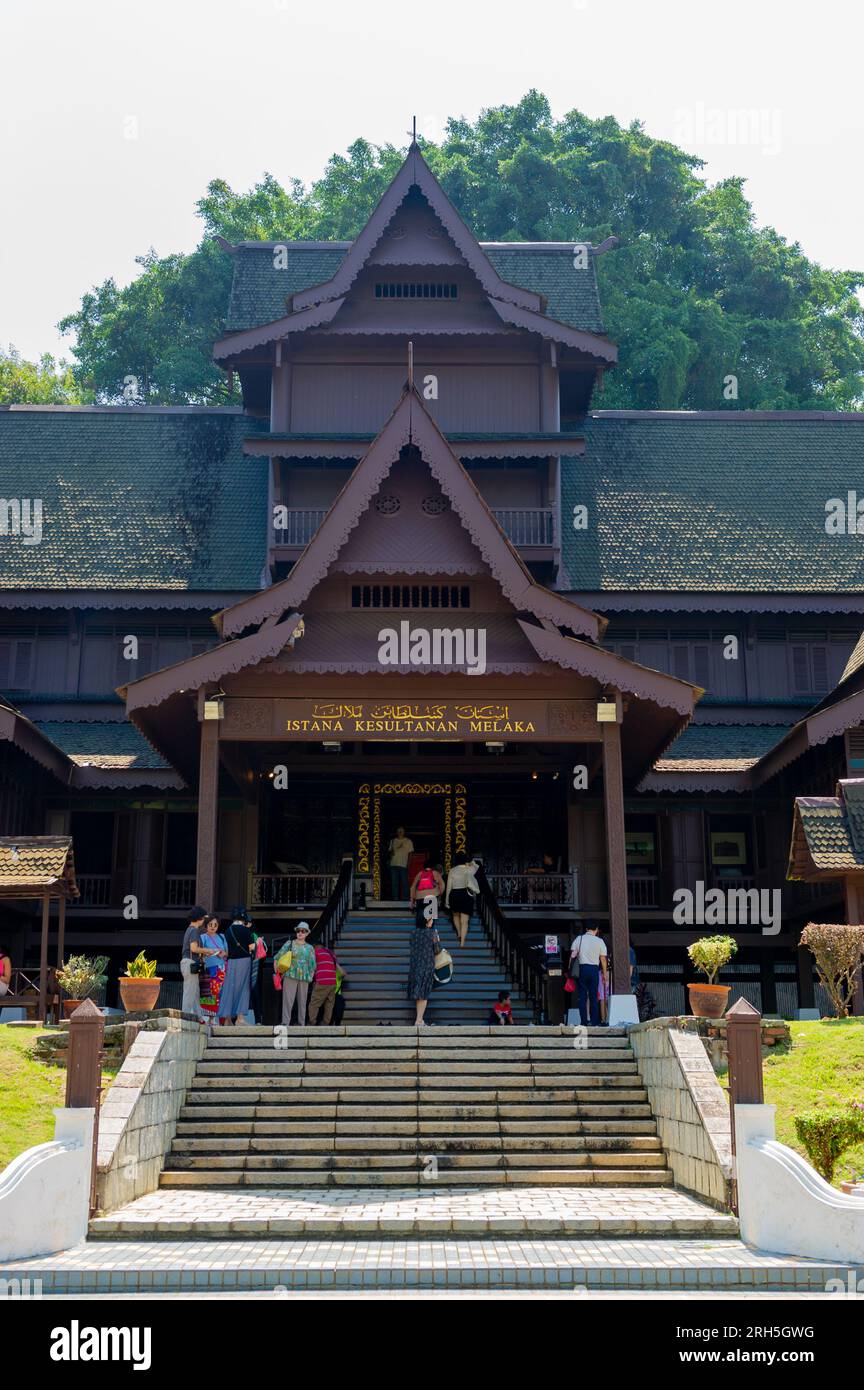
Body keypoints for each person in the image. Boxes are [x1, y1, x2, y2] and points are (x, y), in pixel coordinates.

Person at [217, 906, 256, 1026]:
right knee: (244, 988)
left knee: (230, 988)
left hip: (231, 961)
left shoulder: (228, 931)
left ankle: (227, 1019)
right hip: (244, 961)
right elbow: (251, 947)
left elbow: (228, 947)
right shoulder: (246, 930)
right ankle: (240, 1018)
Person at [570, 919, 608, 1027]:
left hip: (582, 969)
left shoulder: (579, 939)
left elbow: (573, 955)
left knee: (582, 996)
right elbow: (603, 959)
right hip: (594, 970)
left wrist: (570, 970)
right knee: (593, 996)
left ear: (586, 929)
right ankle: (595, 1021)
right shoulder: (600, 941)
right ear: (596, 929)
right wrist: (604, 974)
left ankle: (584, 1021)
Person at [278, 922, 317, 1026]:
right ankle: (285, 1023)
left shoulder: (310, 948)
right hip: (290, 974)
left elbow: (313, 965)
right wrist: (277, 973)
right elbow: (277, 958)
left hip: (304, 976)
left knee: (302, 1002)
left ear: (307, 933)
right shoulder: (289, 943)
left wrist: (311, 977)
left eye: (303, 931)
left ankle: (301, 1024)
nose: (300, 933)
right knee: (287, 1001)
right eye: (298, 930)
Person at [407, 908, 439, 1027]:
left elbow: (413, 946)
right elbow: (437, 950)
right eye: (431, 918)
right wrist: (437, 940)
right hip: (427, 965)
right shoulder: (432, 933)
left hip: (415, 966)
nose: (432, 921)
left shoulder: (413, 933)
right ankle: (419, 1020)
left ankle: (419, 1020)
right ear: (426, 920)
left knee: (419, 994)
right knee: (424, 993)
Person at [180, 906, 213, 1021]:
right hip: (190, 963)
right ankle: (185, 1017)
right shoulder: (194, 930)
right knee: (190, 992)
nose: (204, 921)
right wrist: (207, 951)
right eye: (203, 918)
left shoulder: (190, 929)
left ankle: (199, 1018)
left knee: (195, 992)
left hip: (188, 963)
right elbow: (194, 948)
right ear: (199, 918)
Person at [444, 851, 479, 948]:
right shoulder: (468, 869)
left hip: (454, 894)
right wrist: (471, 862)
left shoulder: (452, 870)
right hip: (465, 894)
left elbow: (448, 887)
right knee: (465, 921)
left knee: (455, 916)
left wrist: (447, 901)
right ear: (465, 860)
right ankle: (462, 942)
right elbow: (476, 866)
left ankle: (459, 932)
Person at [308, 940, 345, 1026]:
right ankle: (326, 1023)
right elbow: (340, 970)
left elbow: (312, 967)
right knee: (329, 1004)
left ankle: (312, 1022)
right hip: (332, 983)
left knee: (314, 1003)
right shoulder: (332, 954)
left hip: (322, 981)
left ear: (315, 947)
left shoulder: (316, 953)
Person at [198, 917, 228, 1021]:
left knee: (221, 994)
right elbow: (199, 952)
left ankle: (221, 1019)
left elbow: (227, 952)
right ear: (206, 925)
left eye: (215, 925)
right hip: (209, 969)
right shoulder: (203, 937)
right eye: (210, 924)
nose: (213, 927)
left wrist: (223, 953)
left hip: (222, 969)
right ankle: (210, 1019)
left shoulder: (222, 937)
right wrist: (210, 951)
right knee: (210, 993)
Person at [410, 857, 444, 926]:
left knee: (420, 921)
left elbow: (412, 887)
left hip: (420, 898)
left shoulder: (420, 874)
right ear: (433, 866)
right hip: (432, 898)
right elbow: (442, 885)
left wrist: (412, 900)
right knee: (430, 923)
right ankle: (429, 935)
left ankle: (421, 934)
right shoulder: (435, 873)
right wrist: (439, 895)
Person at [387, 826, 414, 900]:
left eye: (401, 830)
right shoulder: (392, 841)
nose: (400, 832)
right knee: (394, 882)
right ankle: (395, 897)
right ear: (396, 832)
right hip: (393, 864)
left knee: (404, 882)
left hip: (403, 864)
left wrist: (408, 864)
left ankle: (406, 898)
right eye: (398, 830)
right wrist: (391, 853)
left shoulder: (408, 841)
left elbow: (410, 854)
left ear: (404, 831)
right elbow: (390, 853)